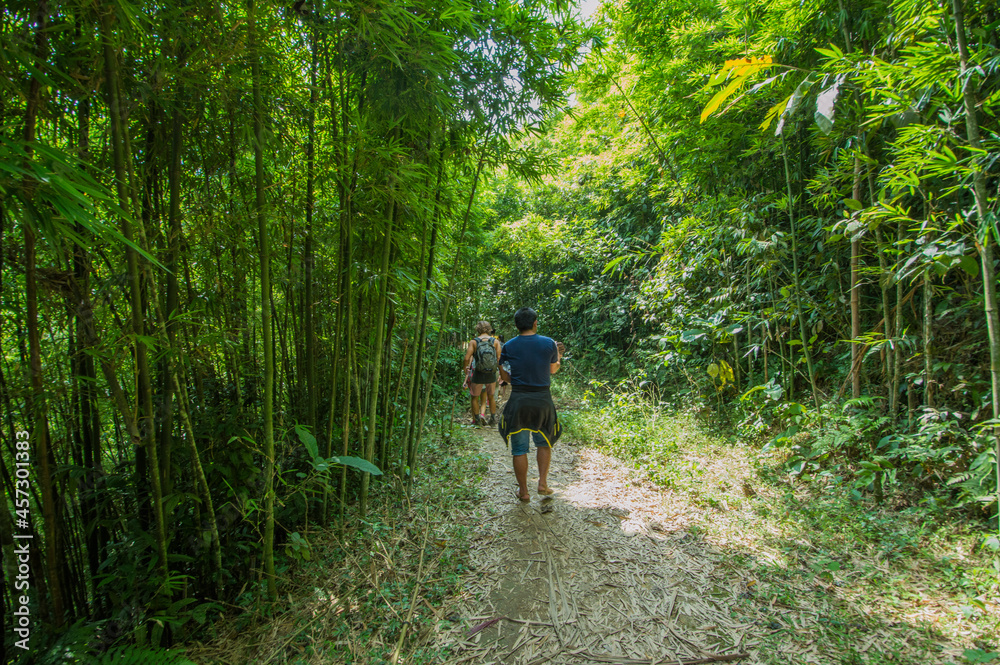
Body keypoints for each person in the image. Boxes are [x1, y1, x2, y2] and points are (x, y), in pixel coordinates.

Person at [497, 307, 563, 502]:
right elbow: (553, 370)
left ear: (516, 325)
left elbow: (505, 377)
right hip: (542, 399)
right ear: (535, 323)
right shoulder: (549, 343)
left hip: (519, 400)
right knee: (544, 442)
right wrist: (558, 359)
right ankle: (542, 483)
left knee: (519, 449)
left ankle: (524, 491)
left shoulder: (508, 346)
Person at [462, 321, 502, 427]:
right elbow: (499, 359)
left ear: (477, 329)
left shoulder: (474, 342)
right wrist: (501, 373)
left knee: (474, 397)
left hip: (478, 373)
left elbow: (466, 358)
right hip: (491, 374)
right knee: (491, 397)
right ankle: (493, 419)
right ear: (489, 329)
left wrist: (465, 368)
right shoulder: (495, 342)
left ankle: (477, 420)